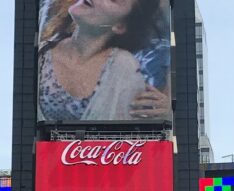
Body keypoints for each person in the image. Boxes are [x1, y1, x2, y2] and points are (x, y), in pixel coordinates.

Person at [37, 0, 169, 122]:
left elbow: (134, 137)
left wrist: (166, 114)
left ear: (119, 26)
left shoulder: (124, 69)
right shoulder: (41, 51)